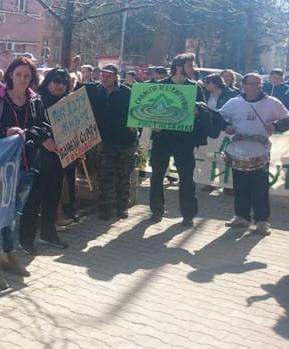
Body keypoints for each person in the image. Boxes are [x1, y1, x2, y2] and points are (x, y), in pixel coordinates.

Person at [0, 58, 51, 287]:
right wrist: (6, 131)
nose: (22, 79)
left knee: (12, 216)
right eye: (19, 74)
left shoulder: (35, 101)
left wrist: (28, 133)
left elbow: (45, 128)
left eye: (27, 76)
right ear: (10, 75)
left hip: (27, 166)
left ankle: (9, 255)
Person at [219, 73, 289, 235]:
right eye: (253, 83)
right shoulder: (235, 103)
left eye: (259, 83)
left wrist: (276, 126)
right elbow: (220, 117)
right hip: (239, 149)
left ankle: (262, 220)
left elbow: (287, 118)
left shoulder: (272, 103)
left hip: (261, 150)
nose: (258, 86)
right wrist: (226, 127)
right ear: (244, 86)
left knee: (260, 186)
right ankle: (242, 217)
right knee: (240, 185)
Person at [148, 53, 210, 226]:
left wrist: (198, 111)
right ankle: (156, 211)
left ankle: (188, 214)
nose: (193, 69)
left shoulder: (195, 88)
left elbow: (204, 111)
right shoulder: (161, 86)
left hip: (184, 140)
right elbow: (149, 111)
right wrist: (153, 124)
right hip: (162, 138)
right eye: (190, 66)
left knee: (186, 177)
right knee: (157, 175)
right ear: (179, 67)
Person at [17, 66, 67, 254]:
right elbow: (28, 127)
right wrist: (43, 140)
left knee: (53, 197)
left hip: (59, 159)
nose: (59, 85)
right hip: (38, 159)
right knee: (33, 200)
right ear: (48, 82)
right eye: (56, 80)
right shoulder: (36, 100)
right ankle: (26, 238)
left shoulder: (68, 103)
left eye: (63, 82)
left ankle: (48, 233)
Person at [83, 65, 138, 220]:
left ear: (115, 77)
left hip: (125, 141)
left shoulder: (127, 92)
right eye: (102, 75)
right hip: (105, 141)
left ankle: (122, 207)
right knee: (105, 176)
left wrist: (135, 127)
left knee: (123, 176)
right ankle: (104, 208)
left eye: (108, 76)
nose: (104, 78)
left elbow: (138, 112)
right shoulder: (95, 91)